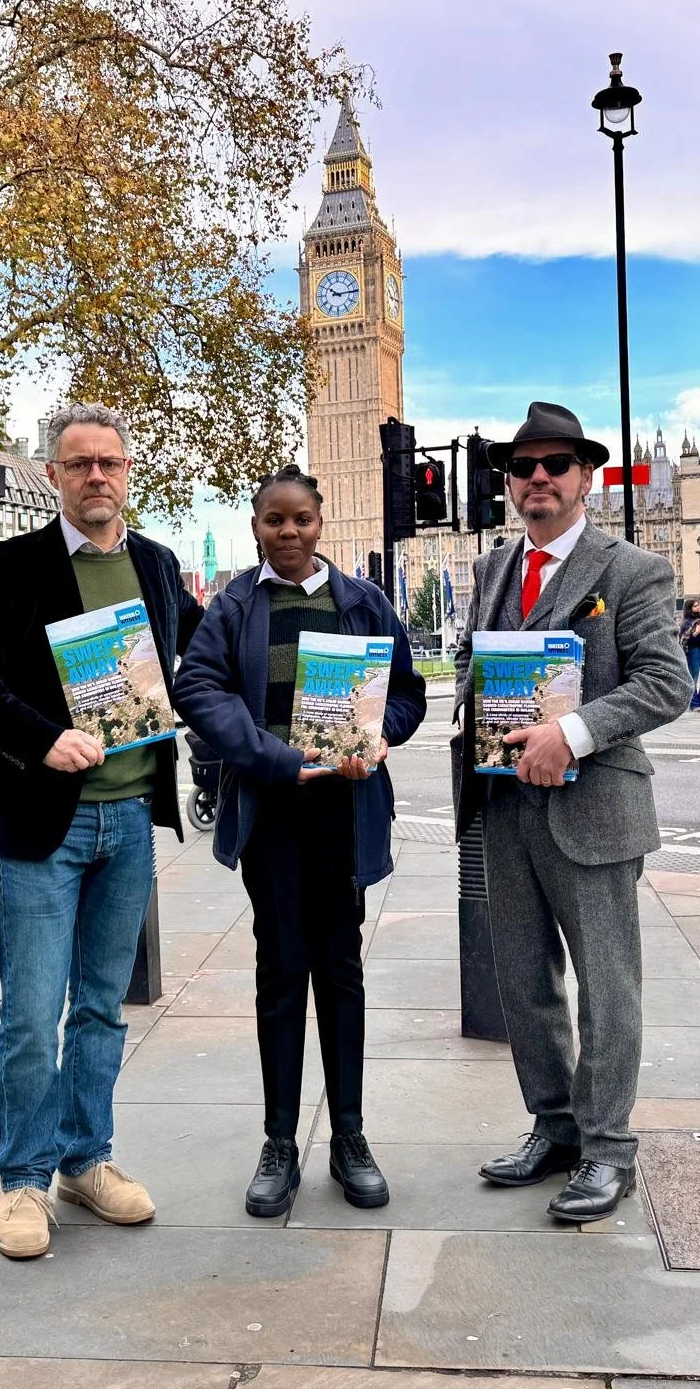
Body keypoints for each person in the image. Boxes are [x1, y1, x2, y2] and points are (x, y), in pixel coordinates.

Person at [0, 402, 202, 1259]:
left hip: (129, 819)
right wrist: (41, 738)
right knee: (30, 1012)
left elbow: (204, 658)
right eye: (80, 463)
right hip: (43, 827)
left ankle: (86, 1161)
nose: (97, 476)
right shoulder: (12, 565)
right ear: (53, 474)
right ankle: (23, 1180)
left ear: (127, 474)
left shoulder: (156, 565)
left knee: (100, 1008)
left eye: (109, 463)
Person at [453, 402, 693, 1223]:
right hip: (505, 805)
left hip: (593, 810)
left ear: (586, 477)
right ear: (510, 484)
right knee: (523, 983)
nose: (539, 478)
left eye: (556, 464)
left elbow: (666, 683)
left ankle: (608, 1147)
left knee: (606, 985)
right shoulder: (493, 567)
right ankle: (553, 1128)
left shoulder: (631, 571)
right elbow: (473, 657)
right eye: (524, 467)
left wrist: (573, 731)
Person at [174, 464, 426, 1218]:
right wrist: (275, 757)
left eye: (302, 519)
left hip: (345, 811)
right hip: (275, 813)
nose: (288, 532)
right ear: (256, 527)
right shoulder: (234, 606)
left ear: (322, 523)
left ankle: (349, 1135)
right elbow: (198, 688)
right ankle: (279, 1142)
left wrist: (381, 735)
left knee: (341, 969)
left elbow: (406, 693)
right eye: (274, 520)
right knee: (282, 969)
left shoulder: (363, 602)